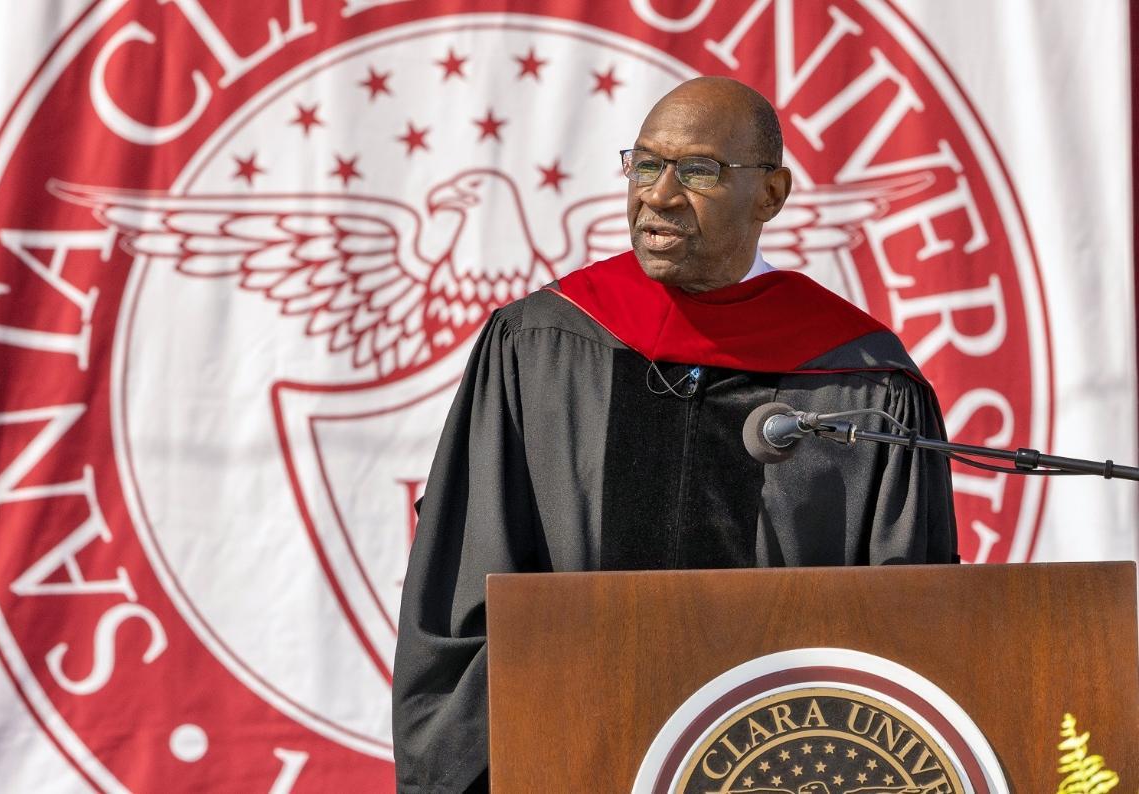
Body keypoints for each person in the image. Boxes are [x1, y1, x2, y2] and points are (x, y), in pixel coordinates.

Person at [392, 76, 957, 792]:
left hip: (782, 769)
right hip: (566, 757)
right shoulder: (540, 344)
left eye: (697, 171)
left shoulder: (864, 381)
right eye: (645, 164)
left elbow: (907, 624)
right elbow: (467, 579)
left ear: (772, 195)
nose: (657, 196)